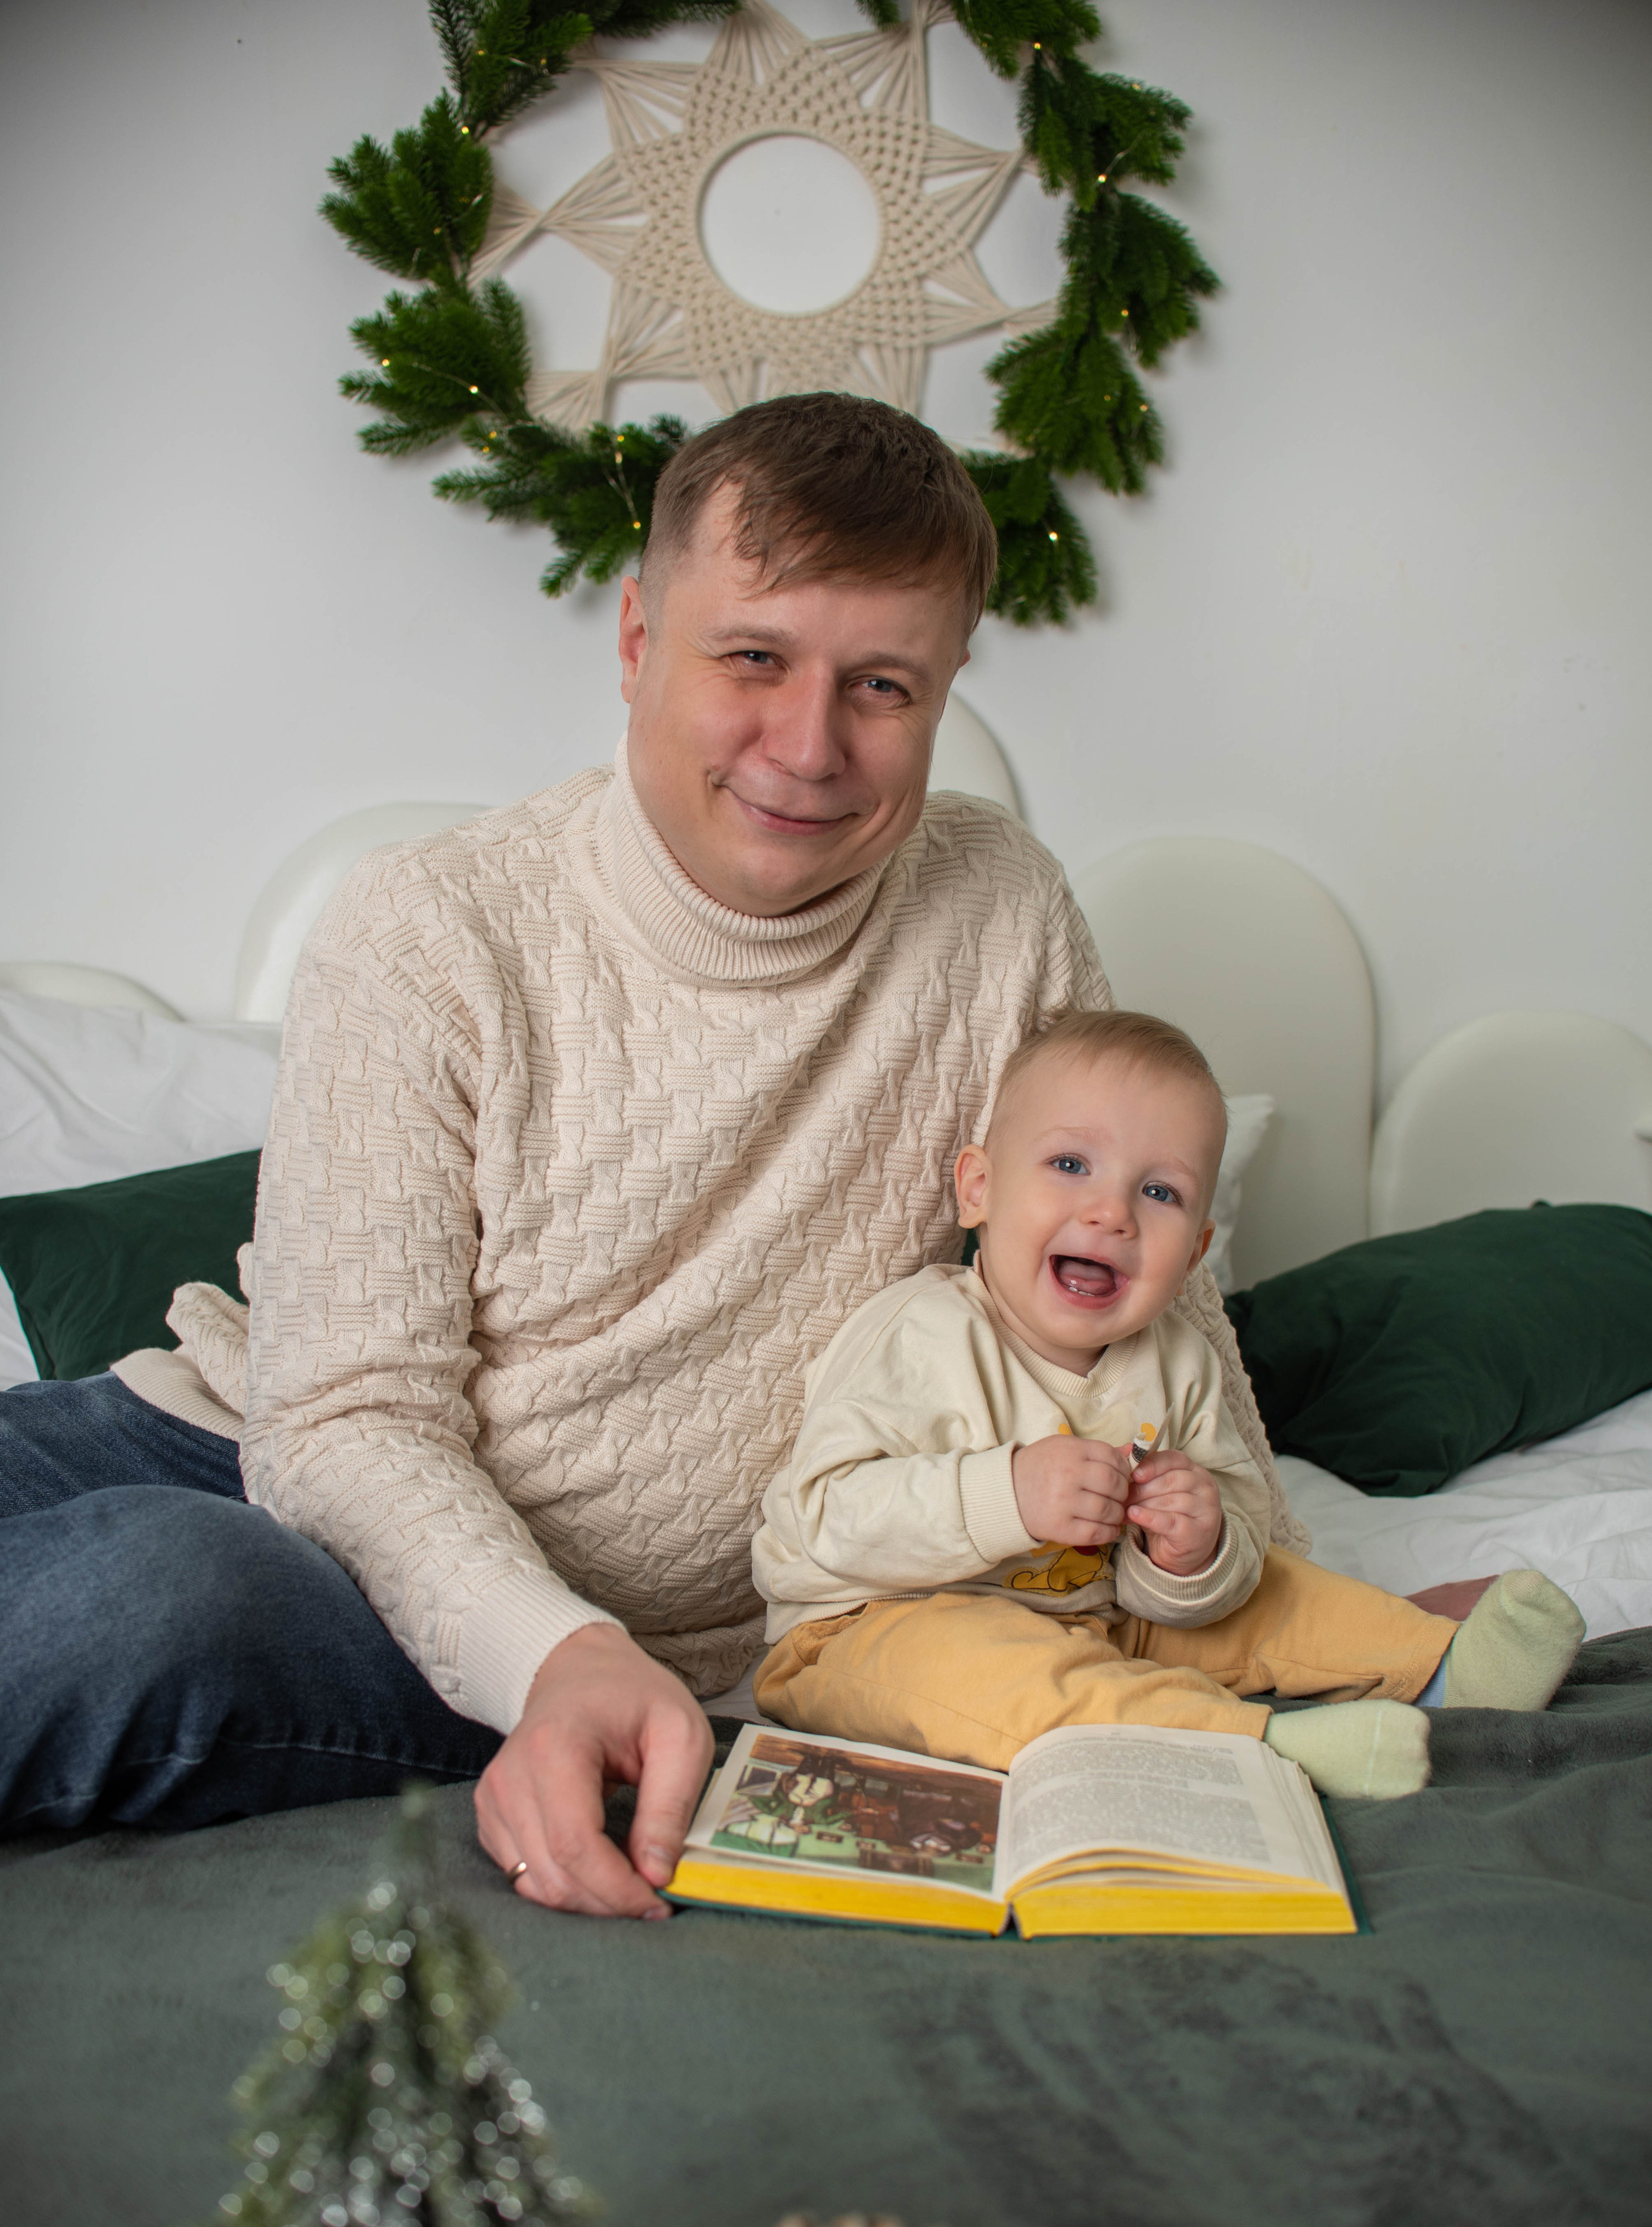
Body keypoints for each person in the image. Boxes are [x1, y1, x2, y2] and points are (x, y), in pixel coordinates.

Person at [0, 394, 1303, 1912]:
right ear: (635, 641)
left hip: (394, 1616)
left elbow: (1161, 1323)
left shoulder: (1000, 912)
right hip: (274, 1450)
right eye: (749, 658)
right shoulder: (429, 928)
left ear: (945, 691)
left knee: (153, 1595)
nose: (806, 746)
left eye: (880, 685)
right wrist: (548, 1650)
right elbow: (345, 1413)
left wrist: (1257, 1573)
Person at [752, 1009, 1585, 1795]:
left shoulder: (1177, 1360)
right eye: (1071, 1164)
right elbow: (821, 1514)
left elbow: (1228, 1553)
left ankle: (1443, 1665)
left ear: (1193, 1254)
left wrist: (1192, 1550)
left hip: (1103, 1614)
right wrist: (1007, 1491)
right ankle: (1257, 1746)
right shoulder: (919, 1331)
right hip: (868, 1627)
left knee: (1279, 1588)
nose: (1111, 1211)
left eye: (1160, 1192)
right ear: (979, 1189)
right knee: (992, 1672)